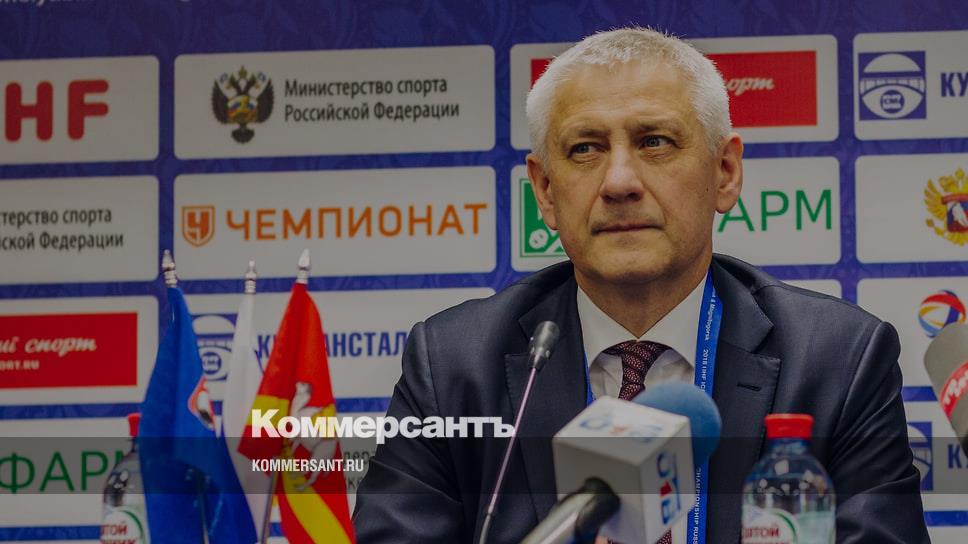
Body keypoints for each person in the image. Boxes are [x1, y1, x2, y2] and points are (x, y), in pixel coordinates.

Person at [352, 27, 929, 543]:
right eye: (585, 149)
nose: (620, 182)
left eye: (655, 141)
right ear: (545, 191)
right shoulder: (453, 363)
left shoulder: (837, 360)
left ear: (725, 172)